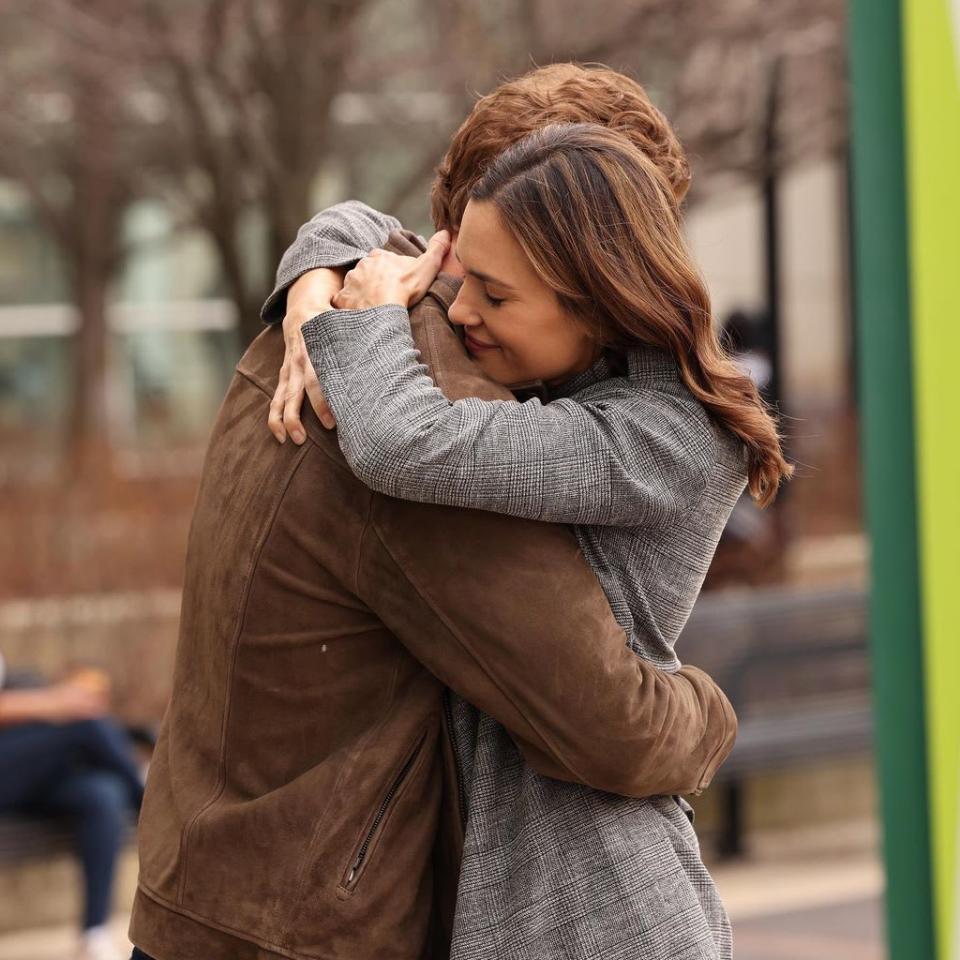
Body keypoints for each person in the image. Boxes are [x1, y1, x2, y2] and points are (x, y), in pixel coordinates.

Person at [128, 67, 739, 960]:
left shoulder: (328, 322)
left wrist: (315, 264)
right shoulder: (423, 405)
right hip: (306, 929)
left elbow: (355, 228)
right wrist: (709, 713)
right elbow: (607, 721)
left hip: (201, 885)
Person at [275, 124, 792, 958]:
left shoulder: (666, 440)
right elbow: (368, 228)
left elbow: (403, 444)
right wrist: (311, 288)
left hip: (599, 905)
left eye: (495, 294)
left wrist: (365, 317)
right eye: (462, 277)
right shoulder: (580, 376)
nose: (463, 309)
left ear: (596, 300)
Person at [0, 654, 144, 960]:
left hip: (23, 769)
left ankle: (94, 932)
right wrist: (51, 702)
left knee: (102, 794)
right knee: (86, 724)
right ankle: (150, 806)